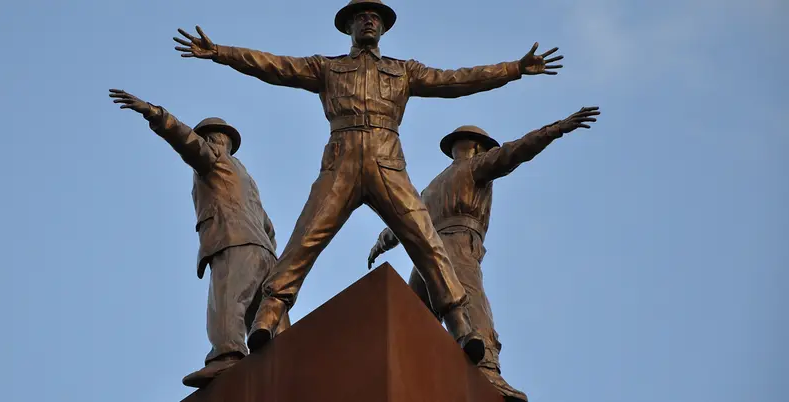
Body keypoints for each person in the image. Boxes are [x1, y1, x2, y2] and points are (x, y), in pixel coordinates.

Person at [172, 0, 564, 362]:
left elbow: (457, 80)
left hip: (387, 162)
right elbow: (274, 66)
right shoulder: (328, 68)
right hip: (341, 162)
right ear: (350, 26)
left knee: (427, 243)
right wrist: (220, 52)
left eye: (375, 17)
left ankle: (462, 326)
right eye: (362, 17)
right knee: (304, 241)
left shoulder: (403, 71)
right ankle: (267, 317)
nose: (369, 21)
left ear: (383, 28)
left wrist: (514, 69)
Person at [367, 106, 601, 401]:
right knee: (439, 309)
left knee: (442, 307)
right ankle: (453, 373)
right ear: (472, 146)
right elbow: (410, 214)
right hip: (442, 246)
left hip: (442, 246)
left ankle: (467, 372)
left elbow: (518, 150)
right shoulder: (453, 176)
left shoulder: (457, 176)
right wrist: (384, 239)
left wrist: (555, 129)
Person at [108, 89, 291, 388]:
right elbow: (269, 226)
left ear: (215, 140)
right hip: (265, 254)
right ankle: (291, 362)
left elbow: (186, 142)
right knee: (269, 315)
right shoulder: (246, 178)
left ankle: (226, 356)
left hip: (235, 242)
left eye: (208, 138)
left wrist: (155, 114)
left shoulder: (215, 160)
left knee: (227, 302)